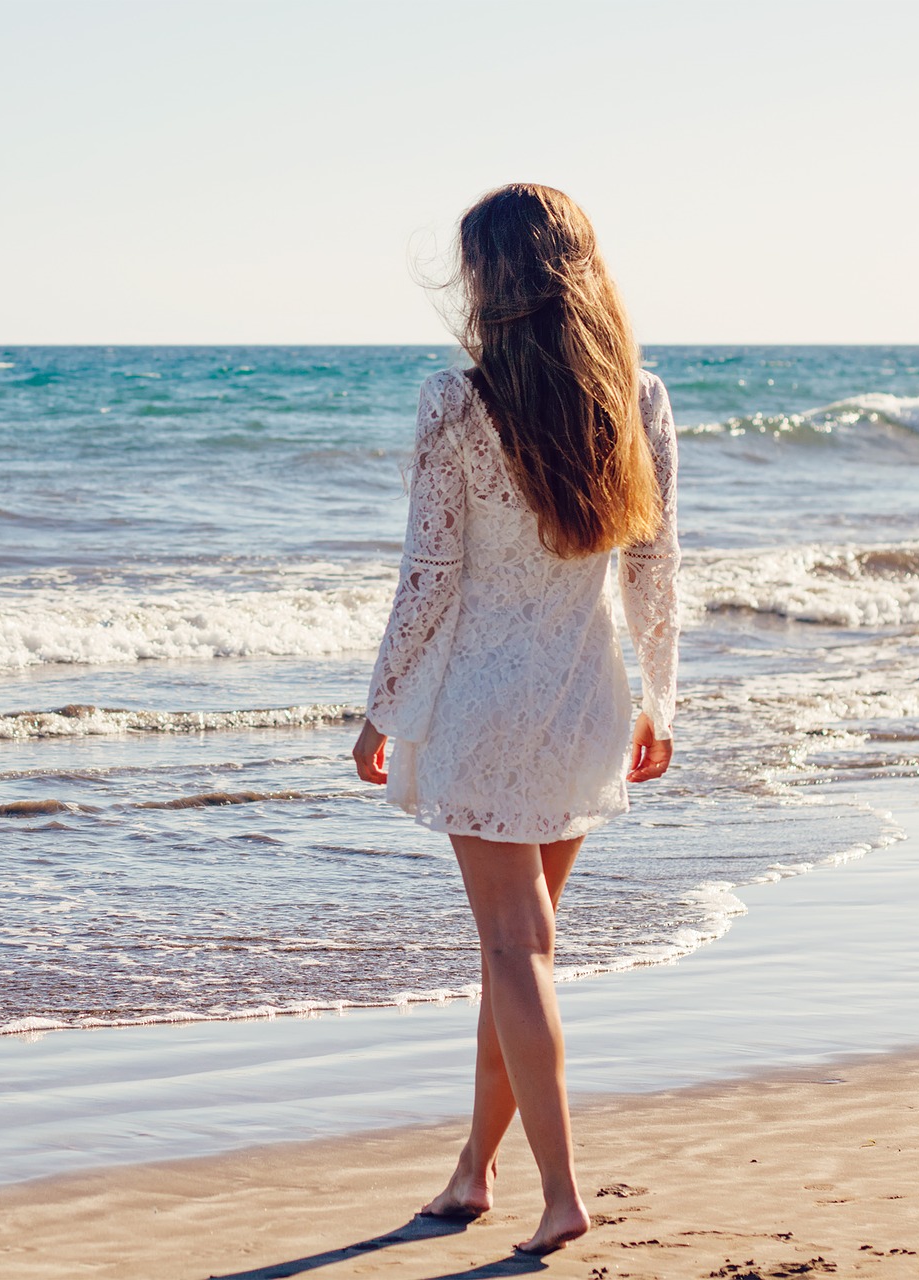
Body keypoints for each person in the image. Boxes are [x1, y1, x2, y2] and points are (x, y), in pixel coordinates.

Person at [351, 183, 680, 1256]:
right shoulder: (639, 398)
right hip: (586, 700)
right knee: (521, 954)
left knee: (514, 947)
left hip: (484, 706)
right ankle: (473, 1169)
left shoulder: (455, 403)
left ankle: (562, 1192)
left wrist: (381, 705)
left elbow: (430, 574)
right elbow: (654, 569)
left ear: (493, 278)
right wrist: (660, 696)